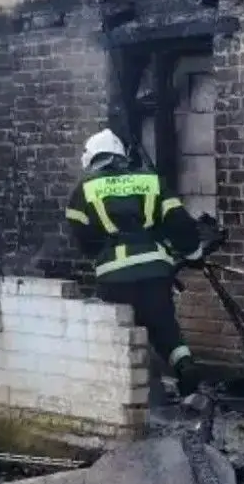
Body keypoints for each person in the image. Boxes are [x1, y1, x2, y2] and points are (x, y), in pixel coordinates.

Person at [63, 129, 216, 399]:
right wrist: (193, 254)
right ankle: (185, 366)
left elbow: (82, 238)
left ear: (92, 158)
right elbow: (179, 222)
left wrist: (104, 250)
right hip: (155, 271)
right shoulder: (150, 180)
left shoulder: (84, 188)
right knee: (164, 327)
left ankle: (139, 391)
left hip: (113, 276)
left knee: (121, 333)